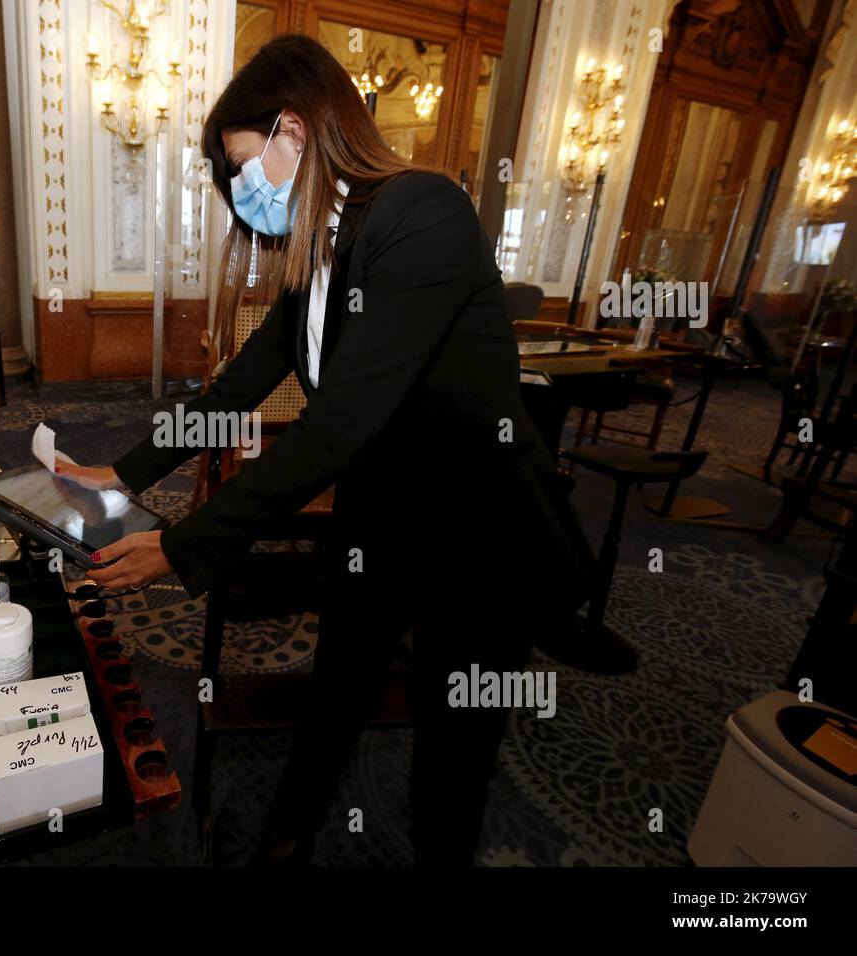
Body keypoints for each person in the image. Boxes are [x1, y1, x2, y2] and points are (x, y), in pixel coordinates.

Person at [57, 34, 596, 865]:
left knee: (450, 739)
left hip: (481, 530)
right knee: (337, 687)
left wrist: (180, 542)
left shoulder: (425, 215)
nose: (244, 194)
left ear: (295, 132)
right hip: (384, 510)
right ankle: (289, 832)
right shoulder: (323, 250)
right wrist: (125, 472)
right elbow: (235, 389)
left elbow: (338, 424)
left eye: (244, 168)